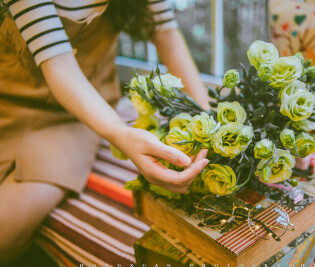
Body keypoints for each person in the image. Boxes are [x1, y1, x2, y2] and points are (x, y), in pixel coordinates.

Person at [0, 0, 209, 263]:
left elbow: (166, 34)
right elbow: (58, 63)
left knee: (7, 228)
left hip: (82, 114)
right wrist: (121, 135)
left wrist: (206, 118)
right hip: (9, 102)